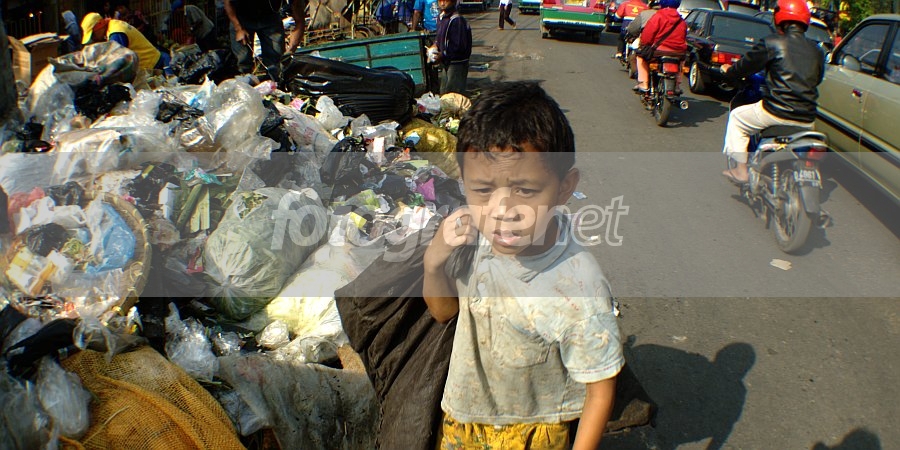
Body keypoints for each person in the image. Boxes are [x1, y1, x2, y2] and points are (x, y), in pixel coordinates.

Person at [423, 81, 624, 450]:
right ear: (463, 182)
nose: (502, 211)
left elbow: (600, 391)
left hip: (533, 432)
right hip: (462, 420)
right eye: (483, 190)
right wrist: (433, 266)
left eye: (526, 191)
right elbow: (445, 313)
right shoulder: (472, 238)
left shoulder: (578, 285)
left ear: (564, 187)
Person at [719, 0, 824, 184]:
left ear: (779, 17)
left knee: (737, 118)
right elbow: (817, 78)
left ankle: (741, 170)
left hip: (775, 111)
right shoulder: (817, 51)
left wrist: (729, 71)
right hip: (807, 118)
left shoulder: (771, 42)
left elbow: (745, 66)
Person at [224, 0, 305, 82]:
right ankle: (243, 82)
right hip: (241, 17)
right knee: (242, 59)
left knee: (276, 61)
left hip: (270, 17)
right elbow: (227, 2)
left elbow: (300, 21)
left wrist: (291, 49)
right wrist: (238, 28)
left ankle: (275, 83)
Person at [81, 12, 171, 73]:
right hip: (152, 61)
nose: (94, 38)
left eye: (93, 35)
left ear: (100, 25)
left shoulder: (116, 33)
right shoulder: (113, 24)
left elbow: (117, 61)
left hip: (151, 65)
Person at [634, 0, 686, 93]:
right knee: (681, 63)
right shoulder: (681, 21)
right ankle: (677, 85)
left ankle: (644, 84)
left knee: (640, 57)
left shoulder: (658, 16)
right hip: (678, 53)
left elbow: (648, 34)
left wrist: (644, 44)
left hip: (659, 51)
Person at [431, 0, 472, 94]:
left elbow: (458, 46)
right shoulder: (441, 17)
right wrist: (435, 45)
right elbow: (439, 37)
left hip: (457, 64)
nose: (442, 3)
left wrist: (442, 55)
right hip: (446, 62)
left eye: (446, 0)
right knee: (444, 92)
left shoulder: (456, 20)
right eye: (440, 1)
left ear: (453, 2)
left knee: (453, 94)